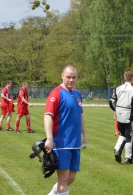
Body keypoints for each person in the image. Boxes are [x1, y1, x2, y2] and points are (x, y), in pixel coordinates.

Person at [44, 65, 87, 195]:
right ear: (62, 76)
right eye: (68, 77)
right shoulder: (56, 93)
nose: (71, 80)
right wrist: (49, 138)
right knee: (63, 180)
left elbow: (80, 115)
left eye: (74, 77)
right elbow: (48, 116)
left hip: (75, 143)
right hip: (61, 143)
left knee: (71, 178)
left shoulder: (77, 93)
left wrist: (84, 135)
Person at [109, 71, 133, 165]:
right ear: (132, 78)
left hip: (120, 115)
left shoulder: (117, 88)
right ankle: (128, 159)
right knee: (130, 137)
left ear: (125, 78)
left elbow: (111, 101)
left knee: (123, 134)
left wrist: (115, 110)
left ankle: (117, 150)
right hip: (130, 115)